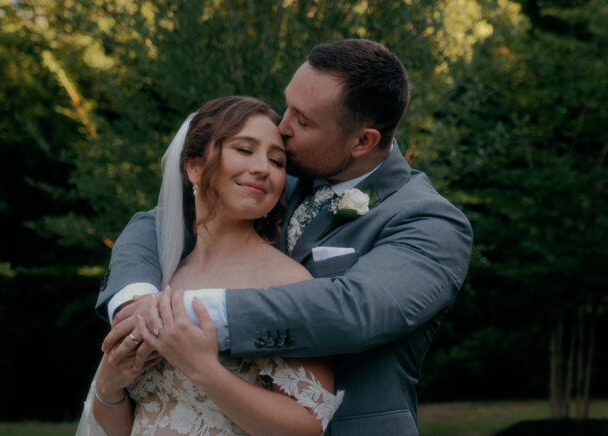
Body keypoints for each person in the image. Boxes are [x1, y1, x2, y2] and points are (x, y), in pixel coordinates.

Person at [99, 39, 473, 435]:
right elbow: (157, 222)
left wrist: (183, 313)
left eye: (304, 121)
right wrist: (134, 300)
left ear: (363, 141)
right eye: (288, 106)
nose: (283, 127)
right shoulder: (273, 176)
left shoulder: (429, 222)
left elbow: (353, 311)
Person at [77, 96, 344, 436]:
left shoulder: (288, 283)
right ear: (194, 166)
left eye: (277, 161)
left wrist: (203, 369)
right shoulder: (161, 277)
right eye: (245, 150)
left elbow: (308, 427)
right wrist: (110, 385)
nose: (263, 168)